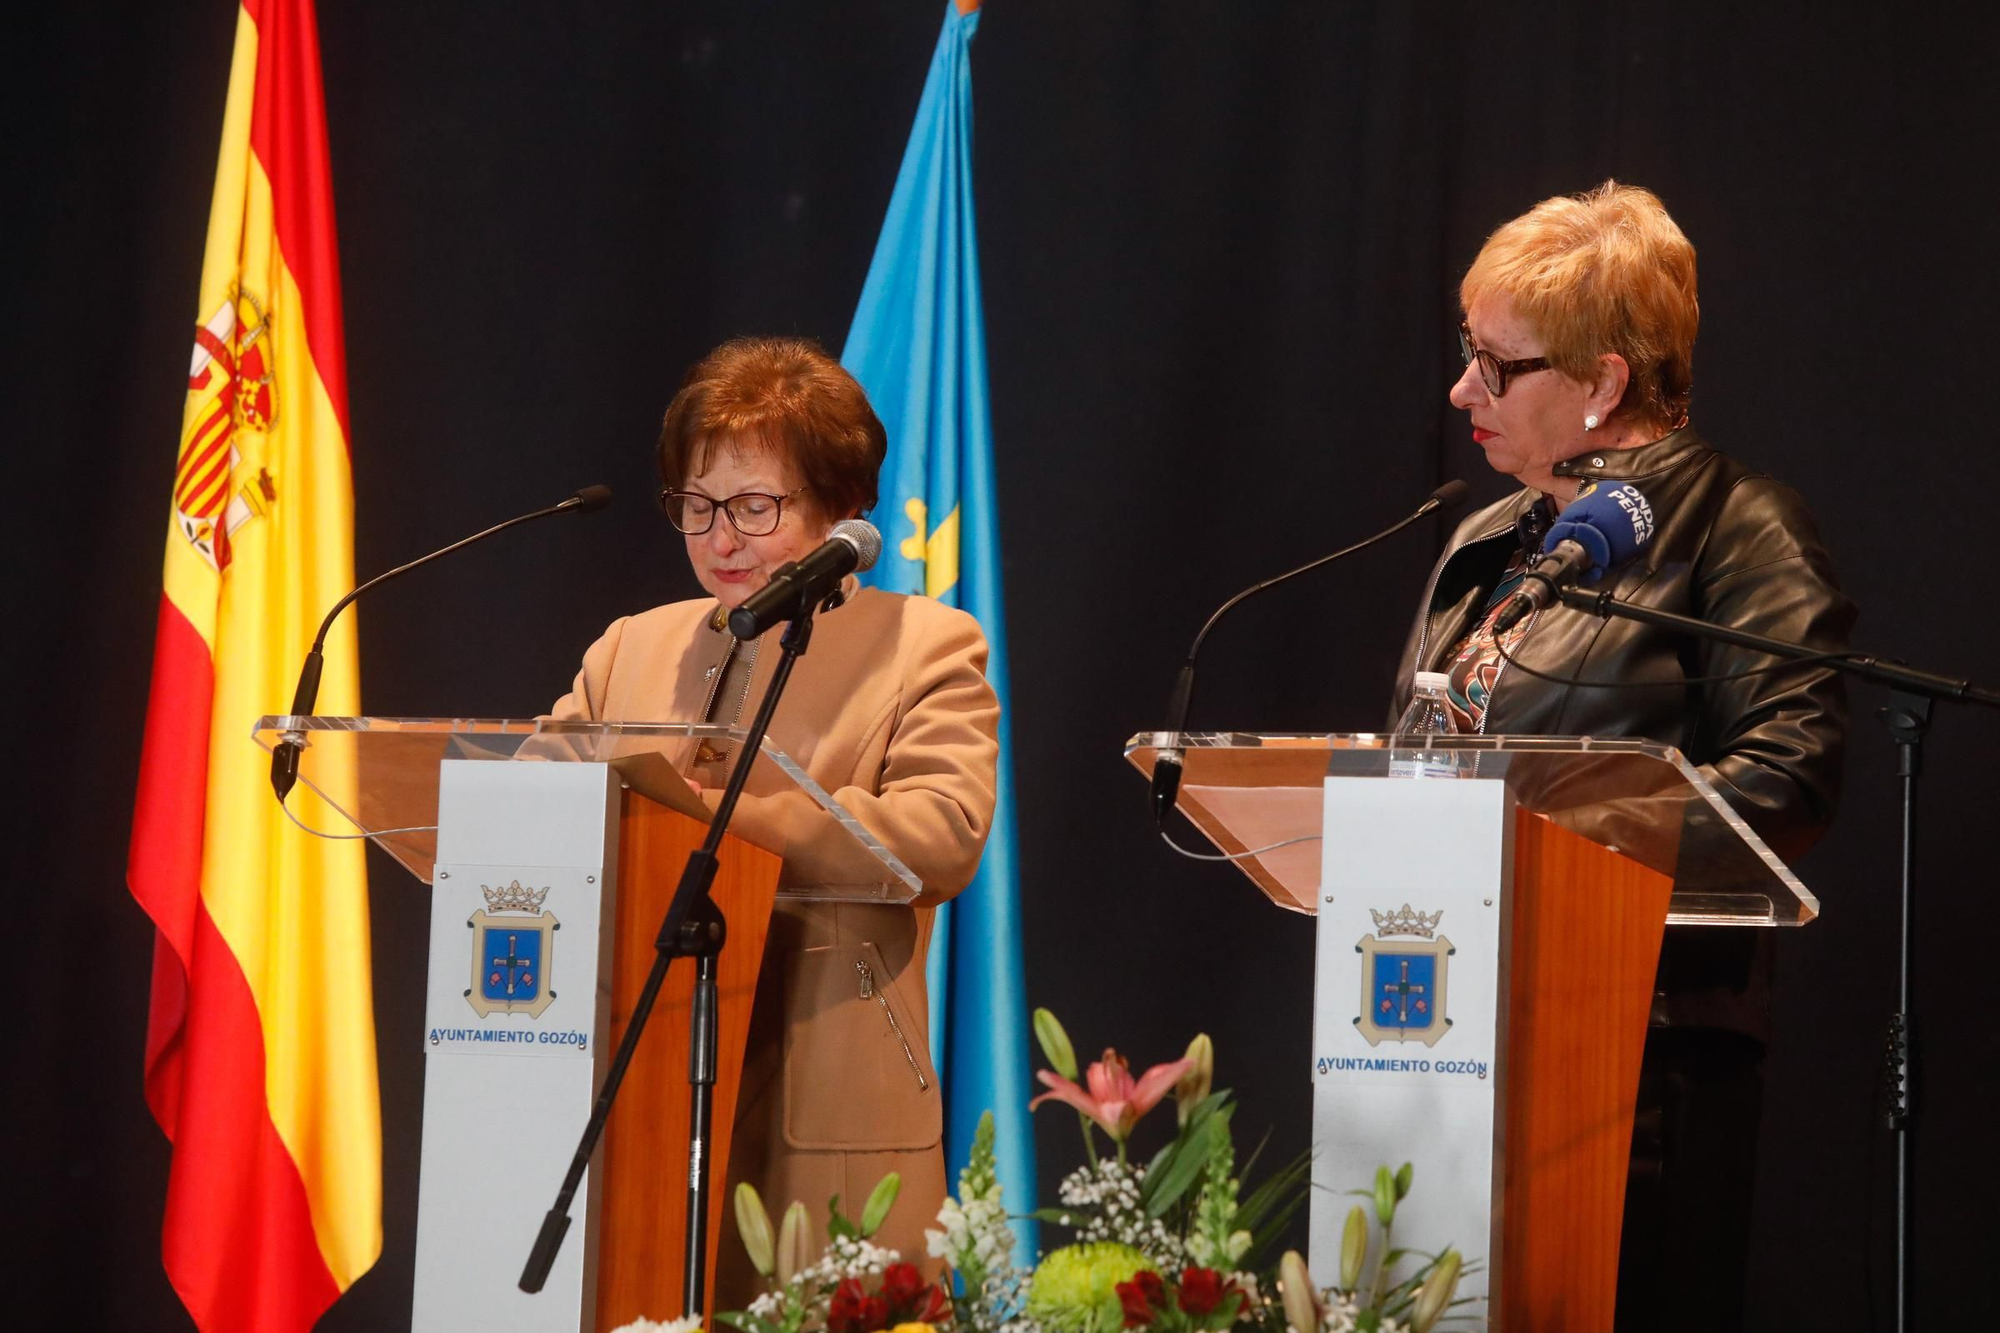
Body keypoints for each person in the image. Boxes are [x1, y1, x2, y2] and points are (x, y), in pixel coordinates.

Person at [1391, 182, 1854, 1331]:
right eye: (1467, 354)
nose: (1461, 391)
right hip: (1433, 1024)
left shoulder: (1736, 526)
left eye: (1497, 366)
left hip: (1637, 1060)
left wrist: (1556, 848)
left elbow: (1786, 778)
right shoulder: (1484, 541)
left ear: (1600, 382)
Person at [549, 336, 999, 1305]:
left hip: (824, 1094)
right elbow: (534, 807)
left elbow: (942, 831)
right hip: (638, 1094)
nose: (722, 538)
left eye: (756, 507)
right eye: (699, 507)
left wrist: (733, 820)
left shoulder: (924, 648)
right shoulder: (630, 649)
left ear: (839, 508)